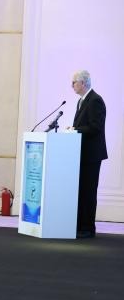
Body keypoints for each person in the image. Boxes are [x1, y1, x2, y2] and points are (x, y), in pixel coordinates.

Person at [68, 70, 107, 238]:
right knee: (81, 190)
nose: (72, 86)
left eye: (74, 82)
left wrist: (75, 130)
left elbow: (95, 127)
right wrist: (73, 129)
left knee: (88, 192)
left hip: (91, 155)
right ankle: (79, 225)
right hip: (81, 154)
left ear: (83, 83)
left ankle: (88, 228)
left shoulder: (95, 100)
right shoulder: (81, 101)